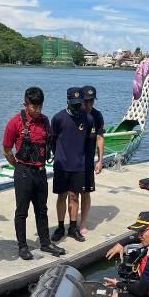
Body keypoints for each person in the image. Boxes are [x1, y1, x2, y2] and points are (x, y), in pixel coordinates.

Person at [2, 86, 66, 260]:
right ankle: (22, 246)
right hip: (23, 171)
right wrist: (17, 166)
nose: (37, 110)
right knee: (21, 211)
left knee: (42, 210)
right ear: (25, 104)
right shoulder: (15, 123)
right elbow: (7, 150)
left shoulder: (45, 121)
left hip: (40, 172)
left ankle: (45, 243)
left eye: (40, 107)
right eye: (33, 107)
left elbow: (51, 142)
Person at [51, 87, 93, 243]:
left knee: (74, 196)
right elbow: (53, 140)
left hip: (78, 165)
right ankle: (61, 226)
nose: (77, 107)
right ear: (68, 101)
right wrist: (58, 156)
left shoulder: (87, 119)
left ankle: (73, 227)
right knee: (61, 196)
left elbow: (90, 142)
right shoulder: (58, 118)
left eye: (79, 104)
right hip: (61, 165)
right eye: (74, 103)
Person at [79, 86, 105, 235]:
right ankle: (71, 223)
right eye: (86, 101)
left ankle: (83, 223)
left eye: (91, 101)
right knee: (72, 193)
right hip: (74, 159)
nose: (89, 105)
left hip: (88, 159)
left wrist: (100, 160)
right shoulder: (76, 114)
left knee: (86, 192)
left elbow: (100, 138)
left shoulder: (97, 115)